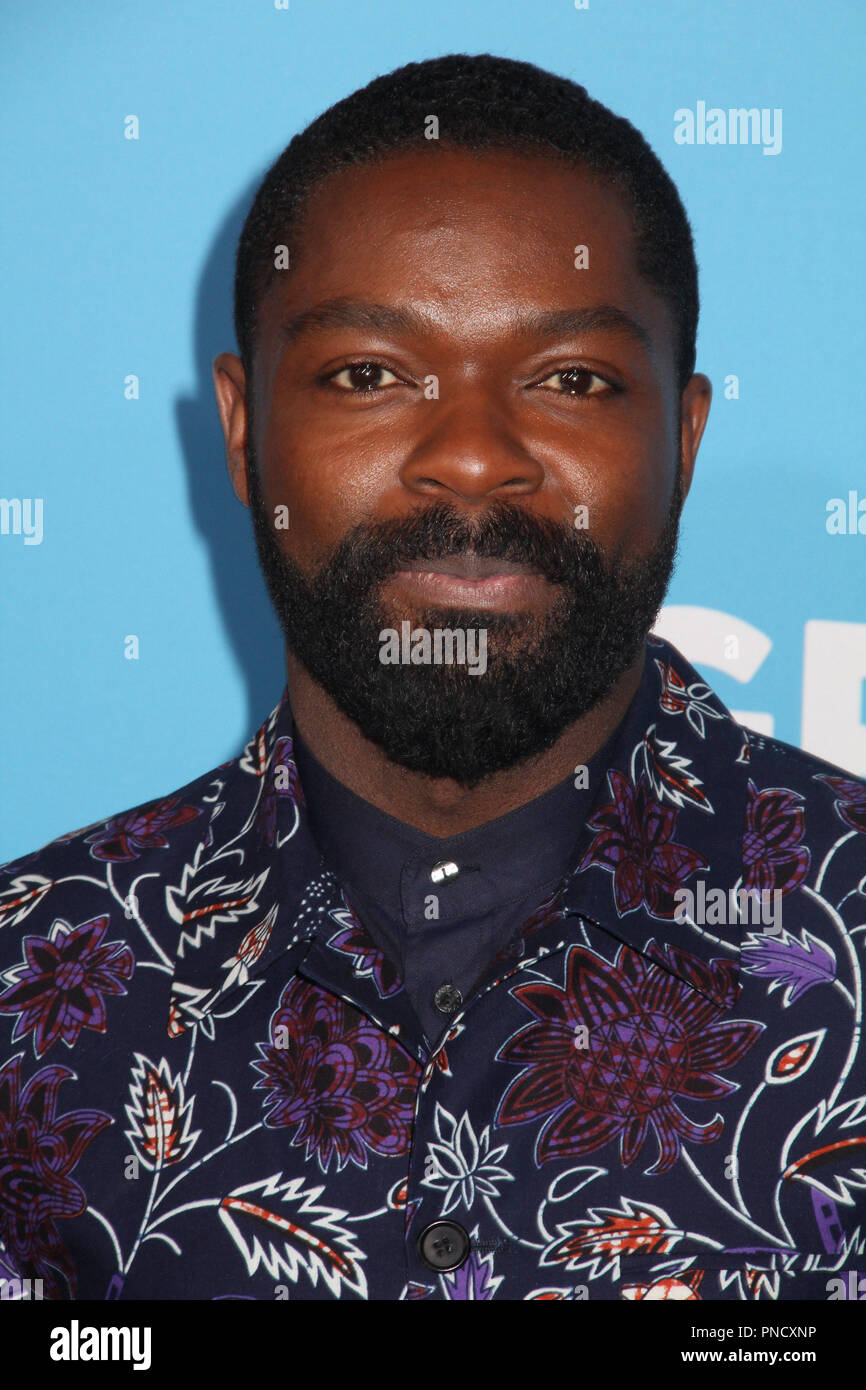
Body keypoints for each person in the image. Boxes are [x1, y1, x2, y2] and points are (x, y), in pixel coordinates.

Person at [1, 53, 863, 1303]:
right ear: (243, 434)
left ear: (680, 439)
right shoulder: (33, 984)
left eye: (570, 379)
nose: (468, 460)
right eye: (369, 374)